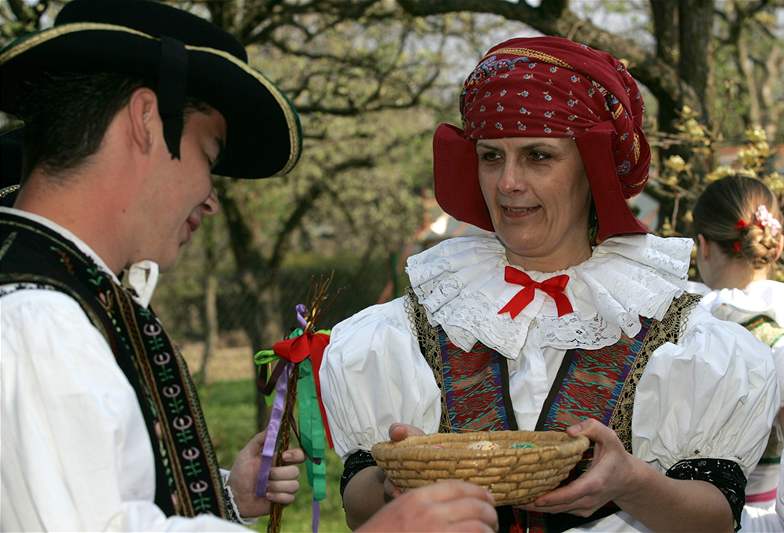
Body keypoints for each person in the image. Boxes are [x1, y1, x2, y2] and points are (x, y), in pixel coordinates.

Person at [0, 2, 500, 531]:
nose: (210, 199)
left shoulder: (69, 301)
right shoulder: (37, 321)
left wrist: (223, 498)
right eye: (208, 156)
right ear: (146, 120)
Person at [319, 36, 780, 532]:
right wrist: (394, 484)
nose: (507, 182)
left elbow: (714, 518)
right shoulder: (409, 328)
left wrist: (632, 484)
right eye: (491, 156)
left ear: (592, 168)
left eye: (538, 156)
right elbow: (357, 507)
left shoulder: (684, 335)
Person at [691, 175, 784, 531]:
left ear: (703, 245)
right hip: (764, 511)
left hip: (687, 510)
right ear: (777, 245)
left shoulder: (689, 323)